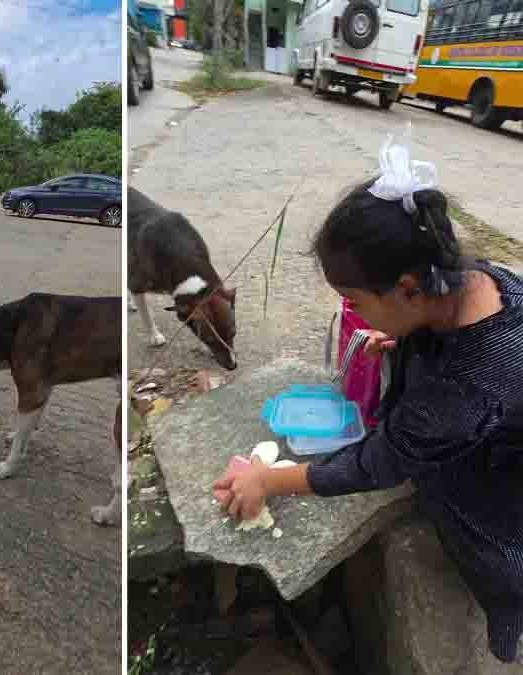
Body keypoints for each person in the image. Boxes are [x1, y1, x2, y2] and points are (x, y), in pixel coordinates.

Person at [214, 134, 523, 663]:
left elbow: (376, 463)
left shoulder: (469, 386)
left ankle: (503, 627)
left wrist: (268, 478)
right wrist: (403, 336)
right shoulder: (479, 281)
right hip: (489, 437)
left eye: (355, 302)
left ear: (407, 288)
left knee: (496, 566)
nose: (353, 313)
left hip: (500, 509)